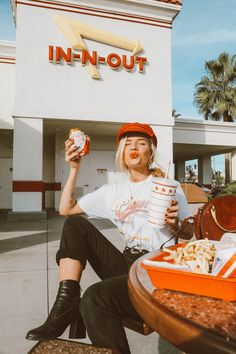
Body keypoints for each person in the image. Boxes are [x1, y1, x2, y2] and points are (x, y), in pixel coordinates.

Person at [26, 122, 193, 353]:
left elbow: (190, 233)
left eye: (141, 143)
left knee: (95, 297)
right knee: (75, 224)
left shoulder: (169, 185)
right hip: (127, 264)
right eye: (128, 143)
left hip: (156, 270)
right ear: (122, 153)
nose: (134, 147)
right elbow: (66, 209)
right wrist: (74, 168)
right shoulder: (111, 192)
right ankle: (67, 299)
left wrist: (174, 224)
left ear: (150, 152)